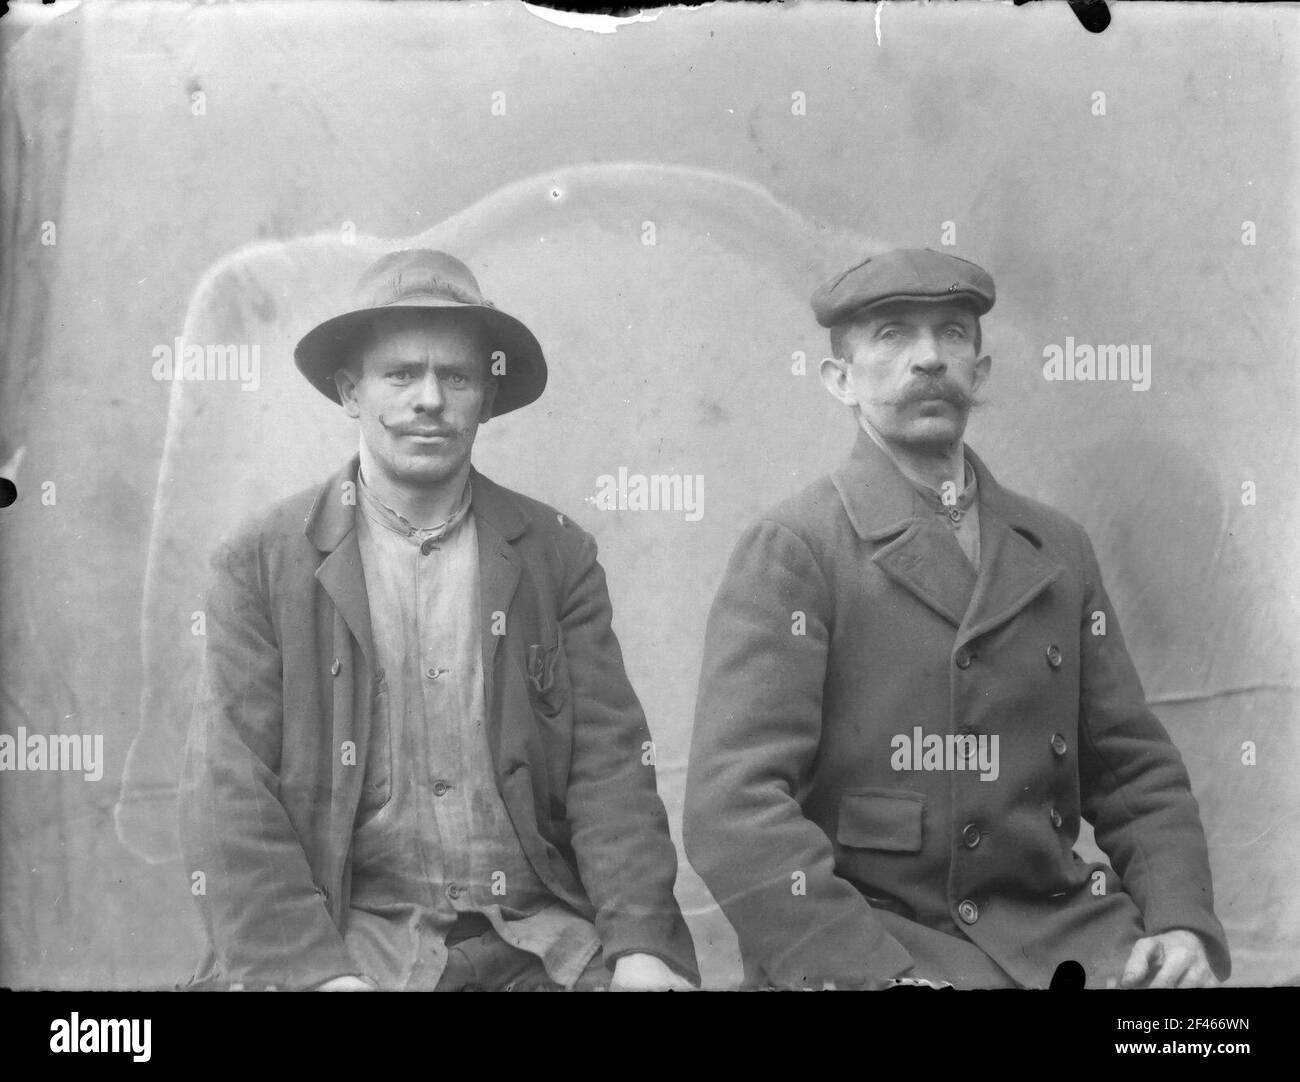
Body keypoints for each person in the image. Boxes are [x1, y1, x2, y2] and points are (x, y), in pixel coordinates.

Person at [683, 248, 1229, 990]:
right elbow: (734, 811)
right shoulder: (797, 548)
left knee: (1203, 1039)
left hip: (1062, 928)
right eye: (893, 336)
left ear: (982, 369)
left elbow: (1135, 770)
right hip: (880, 936)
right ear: (838, 379)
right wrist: (874, 975)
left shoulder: (1056, 546)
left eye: (952, 334)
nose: (930, 358)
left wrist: (1179, 922)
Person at [179, 249, 697, 991]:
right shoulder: (260, 562)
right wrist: (315, 976)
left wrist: (642, 946)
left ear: (487, 398)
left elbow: (609, 769)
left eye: (456, 377)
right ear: (349, 391)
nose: (430, 399)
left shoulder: (555, 554)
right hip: (349, 940)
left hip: (536, 933)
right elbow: (230, 792)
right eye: (400, 375)